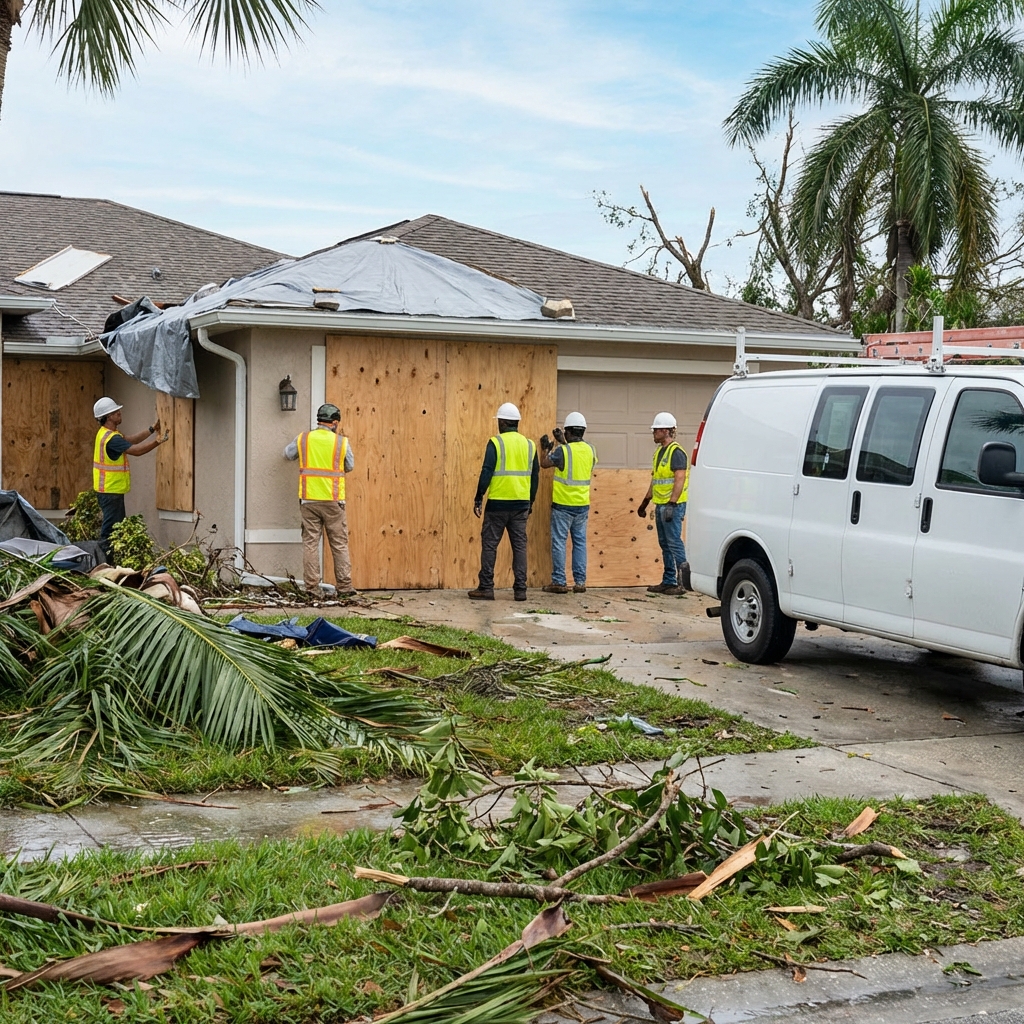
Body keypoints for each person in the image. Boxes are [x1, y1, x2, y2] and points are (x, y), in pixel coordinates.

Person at [283, 404, 357, 598]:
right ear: (334, 423)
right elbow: (349, 466)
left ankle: (312, 589)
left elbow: (288, 454)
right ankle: (345, 587)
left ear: (319, 421)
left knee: (310, 544)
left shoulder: (303, 439)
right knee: (339, 544)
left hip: (309, 500)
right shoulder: (341, 442)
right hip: (333, 501)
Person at [468, 402, 539, 602]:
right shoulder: (530, 445)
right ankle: (520, 590)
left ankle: (486, 588)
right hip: (521, 505)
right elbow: (535, 477)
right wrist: (531, 501)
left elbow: (487, 471)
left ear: (503, 422)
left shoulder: (496, 443)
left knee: (490, 545)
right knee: (519, 546)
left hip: (498, 504)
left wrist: (478, 496)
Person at [92, 397, 168, 543]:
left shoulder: (108, 434)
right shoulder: (111, 439)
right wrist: (157, 441)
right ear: (108, 417)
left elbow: (130, 440)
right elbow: (136, 450)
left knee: (116, 529)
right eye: (116, 411)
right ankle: (105, 561)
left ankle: (109, 561)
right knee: (111, 531)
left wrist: (152, 429)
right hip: (110, 492)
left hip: (110, 491)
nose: (119, 413)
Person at [539, 411, 597, 594]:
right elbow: (577, 459)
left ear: (569, 432)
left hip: (563, 505)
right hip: (582, 506)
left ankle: (559, 581)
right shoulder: (591, 450)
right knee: (579, 543)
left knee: (559, 543)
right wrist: (563, 441)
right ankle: (580, 582)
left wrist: (546, 448)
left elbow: (544, 464)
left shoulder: (562, 451)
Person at [636, 411, 690, 594]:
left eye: (656, 430)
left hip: (671, 506)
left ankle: (682, 583)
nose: (653, 433)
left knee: (674, 542)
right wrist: (645, 503)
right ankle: (668, 581)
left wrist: (672, 504)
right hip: (661, 504)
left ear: (666, 431)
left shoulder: (677, 452)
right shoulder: (659, 452)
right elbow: (656, 480)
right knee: (664, 543)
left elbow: (680, 479)